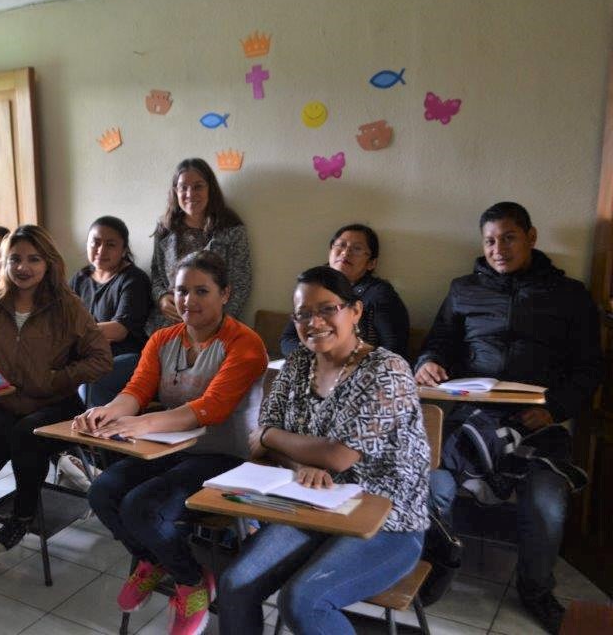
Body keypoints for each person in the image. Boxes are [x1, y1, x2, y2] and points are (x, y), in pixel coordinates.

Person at [414, 202, 601, 634]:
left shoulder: (570, 295)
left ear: (531, 237)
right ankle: (428, 566)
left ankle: (535, 590)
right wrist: (427, 361)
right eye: (490, 240)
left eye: (509, 238)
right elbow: (438, 340)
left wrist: (554, 408)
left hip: (539, 423)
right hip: (471, 418)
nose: (498, 249)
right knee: (431, 482)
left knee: (547, 503)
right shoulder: (463, 289)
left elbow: (590, 368)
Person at [217, 265, 430, 635]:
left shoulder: (388, 370)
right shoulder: (299, 362)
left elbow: (338, 456)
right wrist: (297, 462)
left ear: (356, 311)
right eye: (302, 314)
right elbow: (260, 439)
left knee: (303, 601)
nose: (313, 322)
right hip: (311, 508)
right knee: (235, 585)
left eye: (327, 309)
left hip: (385, 522)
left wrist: (273, 436)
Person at [76, 250, 267, 635]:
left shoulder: (244, 343)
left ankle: (192, 580)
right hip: (169, 448)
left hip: (225, 457)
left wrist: (139, 424)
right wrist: (106, 413)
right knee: (102, 492)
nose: (189, 301)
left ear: (225, 294)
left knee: (141, 507)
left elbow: (209, 409)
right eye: (182, 291)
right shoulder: (163, 338)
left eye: (202, 291)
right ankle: (155, 559)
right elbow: (136, 390)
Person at [0, 225, 112, 578]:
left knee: (25, 434)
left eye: (34, 259)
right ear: (4, 262)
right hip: (5, 404)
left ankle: (22, 514)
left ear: (48, 263)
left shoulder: (67, 306)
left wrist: (52, 379)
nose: (24, 267)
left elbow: (100, 360)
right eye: (15, 258)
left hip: (57, 404)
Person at [149, 158, 251, 333]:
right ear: (175, 191)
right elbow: (156, 274)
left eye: (198, 186)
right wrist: (162, 297)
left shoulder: (231, 229)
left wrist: (216, 325)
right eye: (183, 187)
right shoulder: (165, 229)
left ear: (210, 188)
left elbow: (241, 284)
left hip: (217, 327)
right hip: (169, 326)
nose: (190, 194)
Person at [279, 223, 409, 357]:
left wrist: (346, 364)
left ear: (371, 263)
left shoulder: (380, 295)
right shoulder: (313, 287)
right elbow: (288, 339)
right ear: (330, 252)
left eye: (357, 249)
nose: (345, 252)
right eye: (340, 245)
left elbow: (394, 349)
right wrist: (316, 360)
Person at [70, 215, 152, 407]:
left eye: (110, 244)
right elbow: (61, 319)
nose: (101, 250)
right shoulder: (80, 278)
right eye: (95, 242)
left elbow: (119, 330)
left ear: (124, 250)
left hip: (128, 357)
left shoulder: (133, 279)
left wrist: (74, 333)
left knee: (92, 377)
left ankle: (95, 433)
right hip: (87, 354)